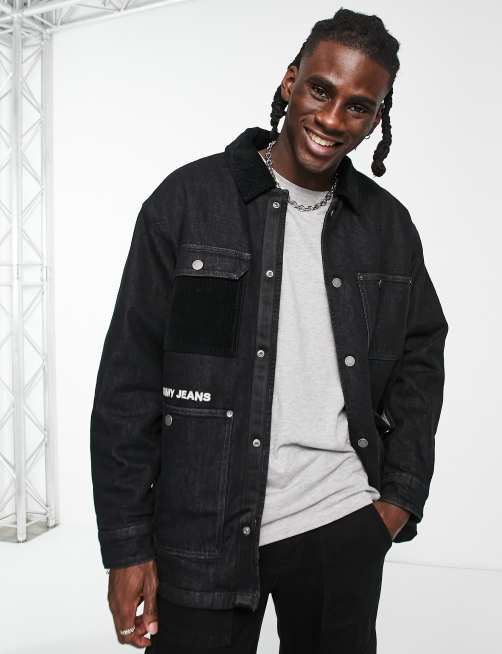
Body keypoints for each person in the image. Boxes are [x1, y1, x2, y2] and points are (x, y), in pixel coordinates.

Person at [90, 7, 448, 653]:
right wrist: (126, 545)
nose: (332, 119)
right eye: (320, 90)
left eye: (358, 106)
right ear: (290, 81)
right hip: (201, 529)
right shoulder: (188, 200)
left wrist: (398, 498)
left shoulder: (387, 226)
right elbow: (129, 378)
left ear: (376, 119)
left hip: (341, 522)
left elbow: (420, 360)